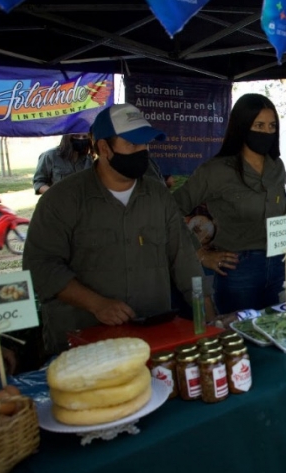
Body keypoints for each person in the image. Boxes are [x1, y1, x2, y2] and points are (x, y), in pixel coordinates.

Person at [23, 104, 203, 354]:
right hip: (84, 345)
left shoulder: (158, 196)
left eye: (145, 144)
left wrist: (207, 314)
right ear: (104, 148)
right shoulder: (62, 200)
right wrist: (96, 304)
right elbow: (39, 266)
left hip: (152, 339)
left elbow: (185, 260)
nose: (142, 152)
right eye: (132, 144)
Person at [174, 93, 286, 315]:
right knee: (240, 341)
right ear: (243, 127)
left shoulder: (277, 167)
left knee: (277, 333)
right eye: (259, 125)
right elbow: (171, 210)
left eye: (272, 126)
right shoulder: (216, 171)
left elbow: (283, 212)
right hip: (238, 270)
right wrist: (200, 254)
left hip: (277, 266)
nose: (267, 132)